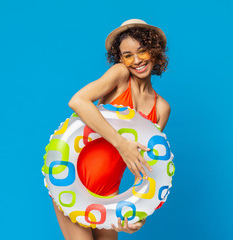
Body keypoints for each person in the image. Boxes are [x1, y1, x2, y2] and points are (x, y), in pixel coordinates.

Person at [52, 19, 171, 240]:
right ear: (120, 59)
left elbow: (146, 169)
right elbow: (78, 101)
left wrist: (138, 214)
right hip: (73, 184)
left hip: (109, 196)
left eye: (142, 51)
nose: (136, 60)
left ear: (154, 52)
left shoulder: (161, 109)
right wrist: (121, 144)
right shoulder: (120, 76)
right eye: (127, 55)